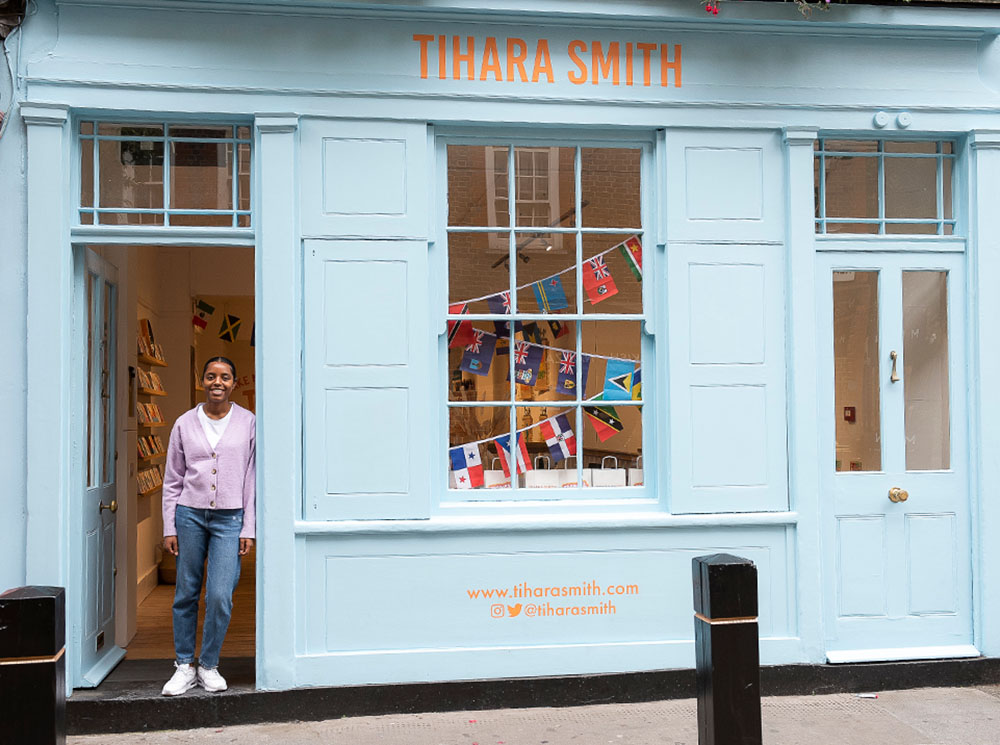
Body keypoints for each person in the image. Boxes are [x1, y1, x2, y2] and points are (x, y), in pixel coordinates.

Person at [160, 356, 255, 696]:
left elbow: (251, 478)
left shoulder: (248, 422)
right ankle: (184, 665)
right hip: (189, 515)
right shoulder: (185, 423)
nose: (218, 382)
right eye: (212, 376)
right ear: (202, 381)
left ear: (232, 382)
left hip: (230, 519)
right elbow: (173, 478)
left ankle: (209, 663)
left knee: (219, 595)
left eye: (225, 377)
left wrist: (248, 527)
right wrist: (169, 525)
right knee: (186, 591)